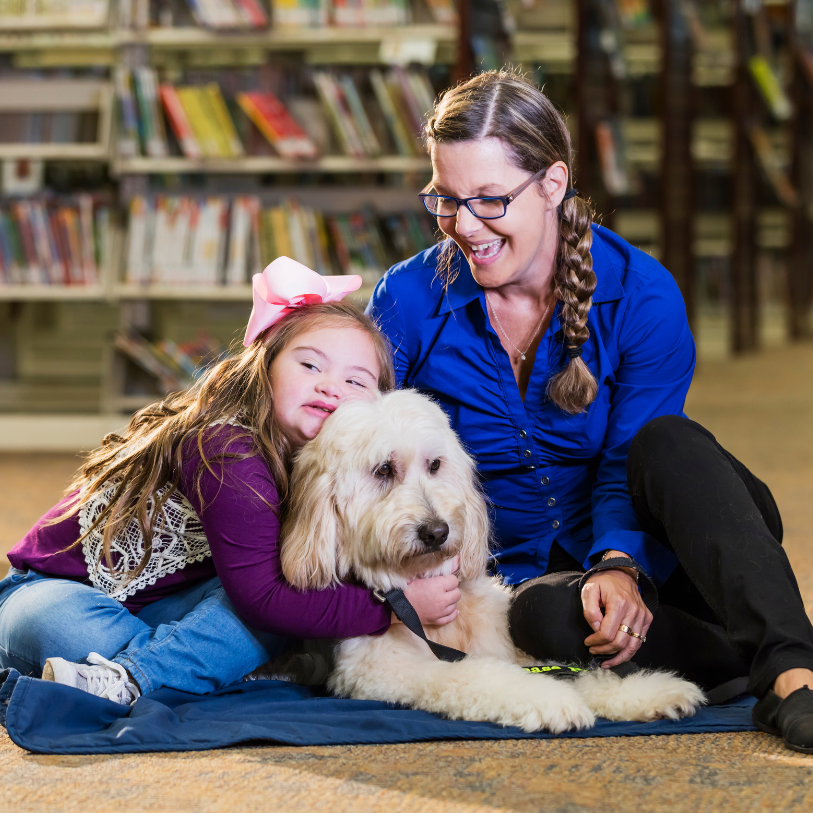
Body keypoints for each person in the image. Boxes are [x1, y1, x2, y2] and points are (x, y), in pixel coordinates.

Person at [367, 69, 813, 753]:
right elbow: (361, 448)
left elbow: (626, 458)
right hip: (541, 589)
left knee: (667, 440)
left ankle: (792, 674)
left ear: (551, 184)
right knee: (540, 617)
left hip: (680, 548)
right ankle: (727, 652)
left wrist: (618, 562)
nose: (463, 226)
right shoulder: (405, 301)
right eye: (445, 200)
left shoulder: (641, 294)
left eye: (489, 200)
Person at [0, 258, 461, 705]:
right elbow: (264, 600)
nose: (331, 388)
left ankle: (175, 665)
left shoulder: (339, 468)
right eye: (310, 366)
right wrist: (396, 609)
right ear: (265, 364)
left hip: (167, 604)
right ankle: (142, 677)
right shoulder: (225, 447)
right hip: (49, 595)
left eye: (356, 381)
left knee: (278, 601)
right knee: (261, 609)